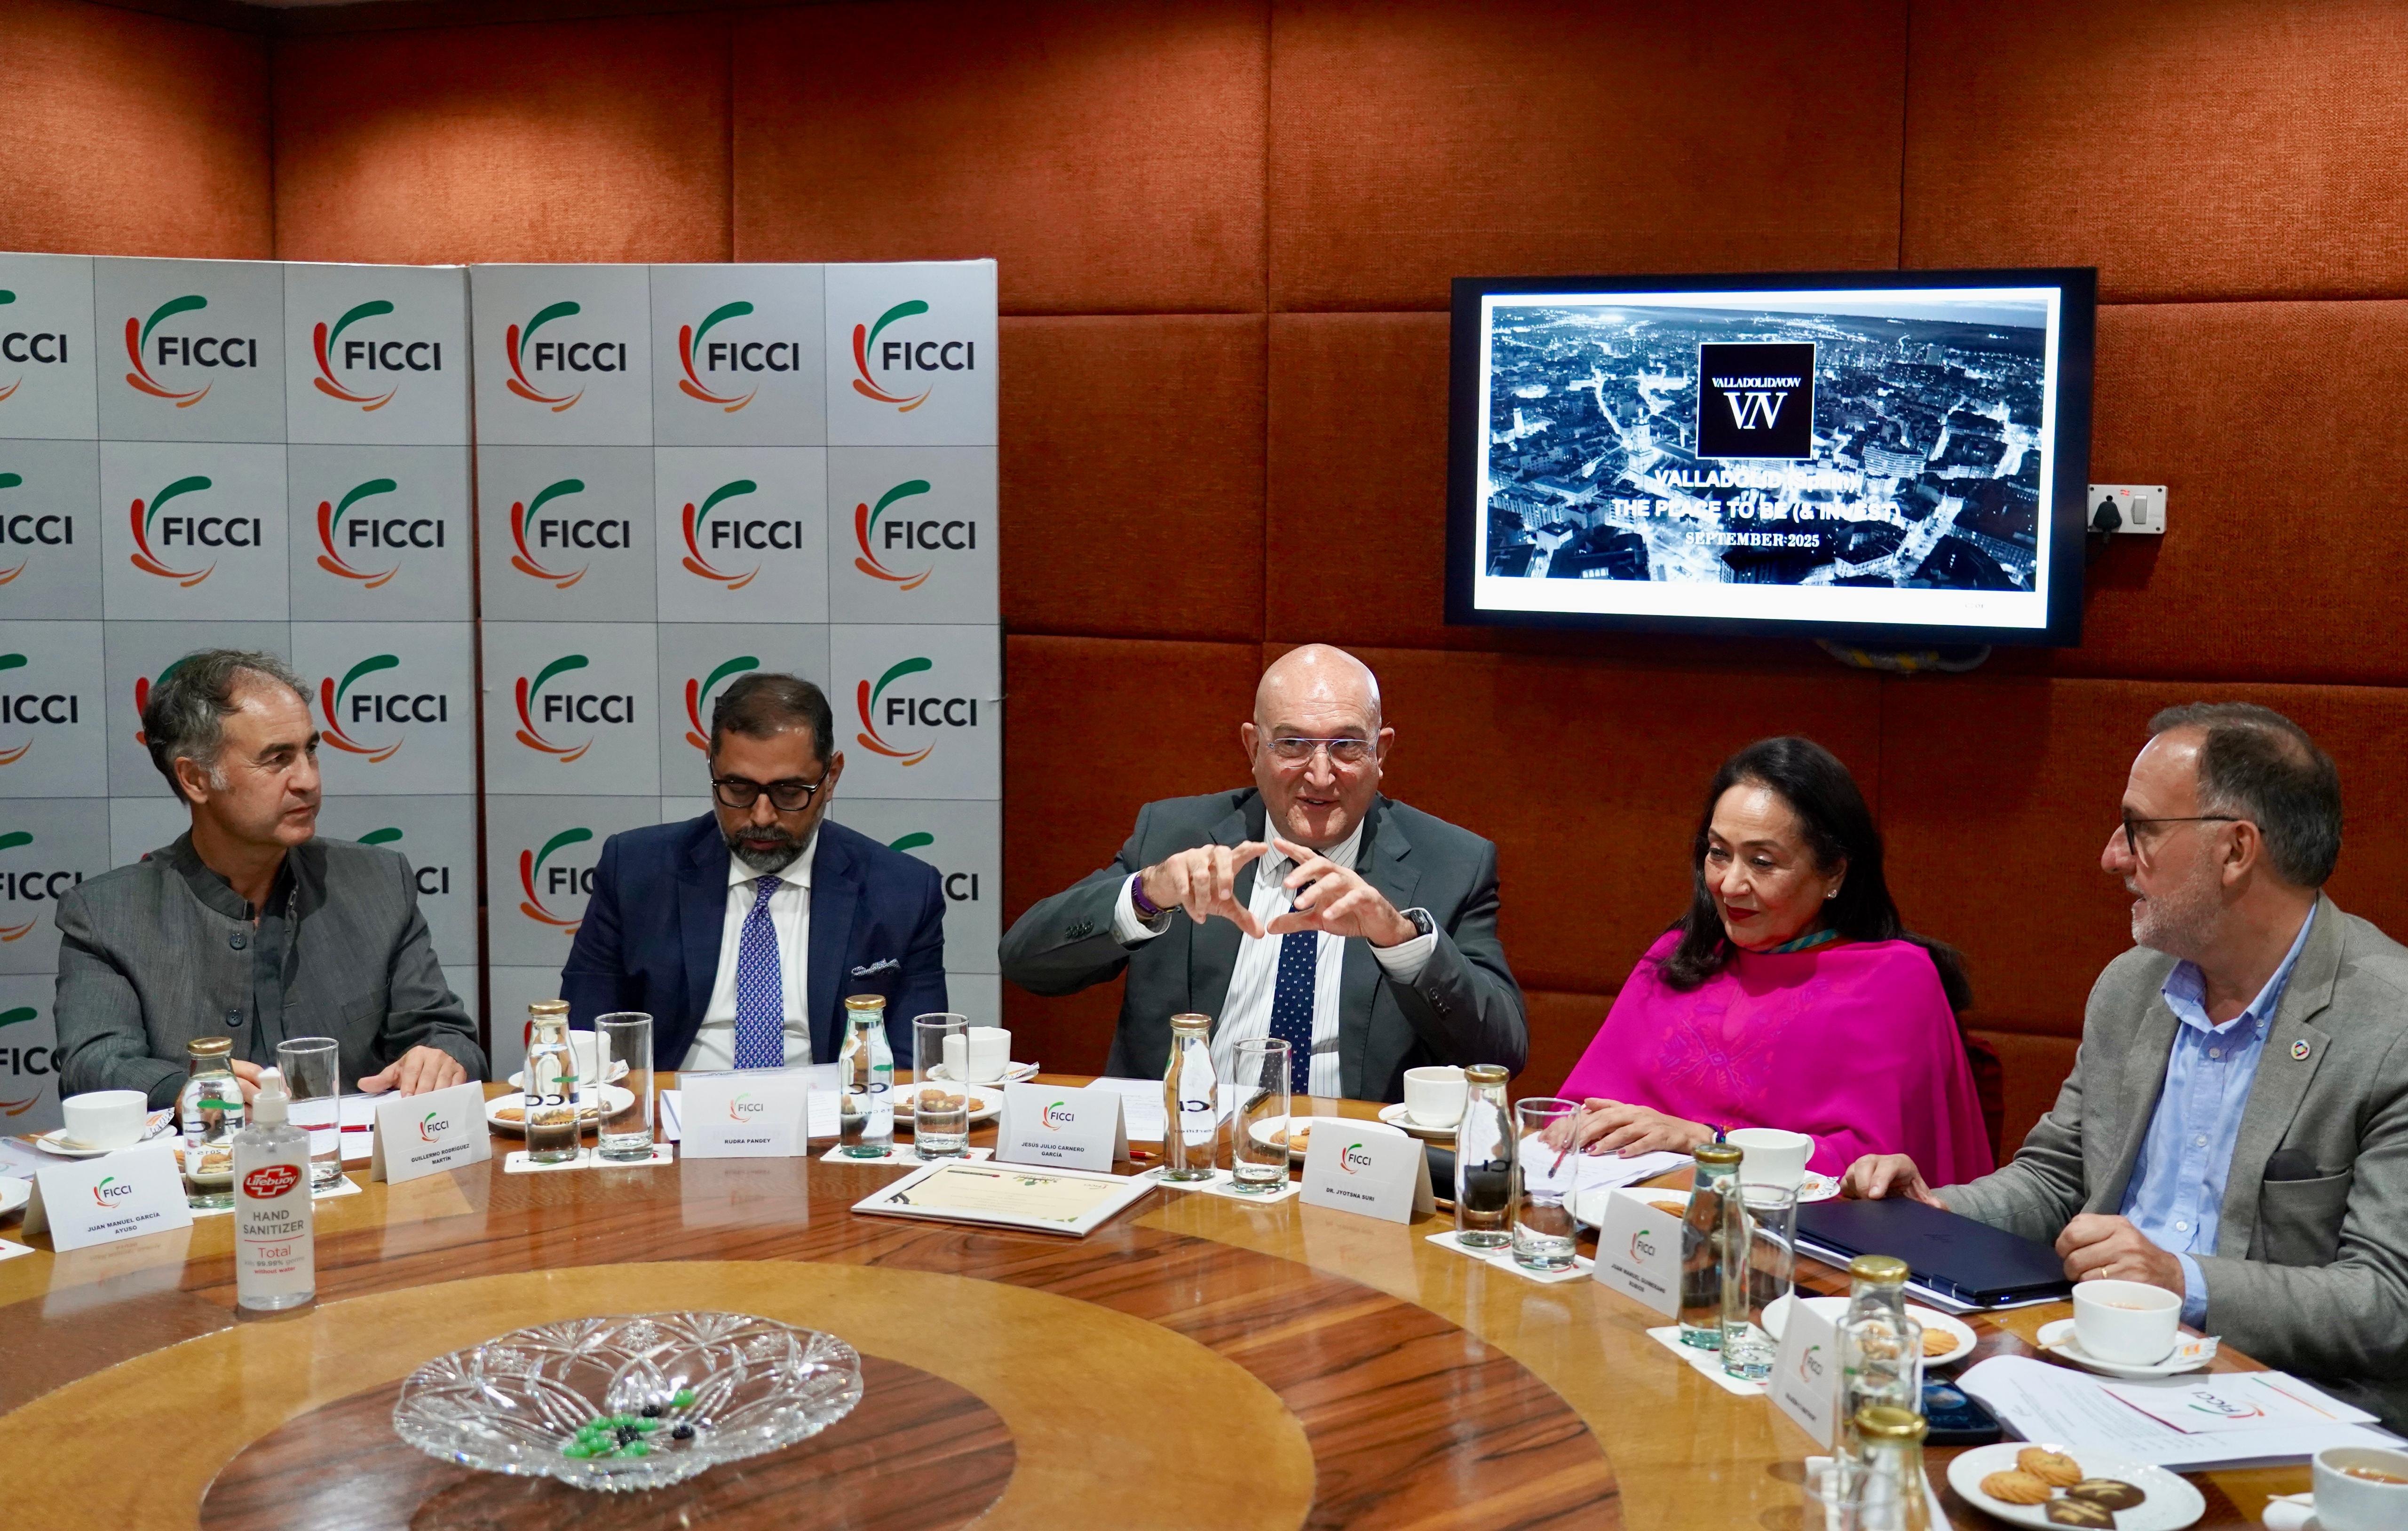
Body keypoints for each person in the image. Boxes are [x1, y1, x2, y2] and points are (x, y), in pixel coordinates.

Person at [1843, 704, 2408, 1427]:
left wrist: (2180, 1281)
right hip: (2088, 1369)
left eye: (2139, 829)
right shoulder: (2132, 988)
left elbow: (2387, 1302)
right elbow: (2058, 1179)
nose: (2113, 856)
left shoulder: (2388, 1026)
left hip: (2283, 1406)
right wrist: (1937, 1211)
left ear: (2236, 850)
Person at [999, 644, 1526, 1101]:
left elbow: (1501, 1053)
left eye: (1346, 746)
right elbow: (1026, 962)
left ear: (1380, 751)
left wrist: (1400, 940)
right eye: (1292, 744)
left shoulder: (1451, 864)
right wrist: (1146, 894)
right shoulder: (1175, 834)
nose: (1320, 775)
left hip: (1351, 1160)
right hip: (1186, 1148)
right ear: (1253, 748)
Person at [1552, 736, 1993, 1184]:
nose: (1729, 885)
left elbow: (1872, 1171)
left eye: (1762, 862)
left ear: (1834, 872)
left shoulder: (1895, 979)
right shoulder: (1680, 952)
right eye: (1718, 853)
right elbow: (1581, 1109)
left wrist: (1708, 1140)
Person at [55, 650, 483, 1106]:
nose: (307, 781)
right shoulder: (107, 916)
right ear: (196, 779)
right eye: (278, 759)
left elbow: (446, 1035)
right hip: (203, 1151)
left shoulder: (378, 883)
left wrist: (440, 1057)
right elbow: (94, 1064)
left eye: (310, 751)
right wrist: (184, 1089)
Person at [562, 673, 944, 1065]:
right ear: (711, 767)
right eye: (739, 789)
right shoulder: (634, 871)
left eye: (789, 793)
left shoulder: (905, 892)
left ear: (831, 778)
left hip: (830, 1103)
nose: (762, 817)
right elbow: (586, 1043)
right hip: (673, 1099)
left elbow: (915, 1066)